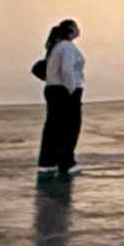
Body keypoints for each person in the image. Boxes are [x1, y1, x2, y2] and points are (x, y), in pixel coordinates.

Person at [33, 19, 85, 179]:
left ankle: (47, 163)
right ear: (71, 29)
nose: (79, 30)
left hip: (52, 89)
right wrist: (72, 89)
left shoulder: (56, 46)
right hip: (64, 91)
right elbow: (67, 70)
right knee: (69, 128)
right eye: (76, 27)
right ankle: (66, 163)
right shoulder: (67, 46)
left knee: (53, 128)